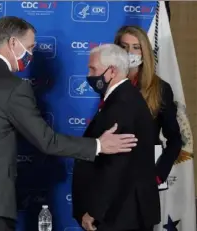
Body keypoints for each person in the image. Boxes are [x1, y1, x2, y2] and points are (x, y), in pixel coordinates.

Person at [0, 17, 138, 231]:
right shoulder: (12, 87)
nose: (30, 55)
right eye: (29, 47)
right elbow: (47, 141)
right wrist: (98, 146)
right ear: (13, 43)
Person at [72, 44, 160, 231]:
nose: (89, 74)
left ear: (111, 71)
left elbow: (115, 165)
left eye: (93, 69)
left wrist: (95, 211)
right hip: (122, 212)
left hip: (119, 215)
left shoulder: (122, 104)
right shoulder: (122, 98)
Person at [114, 25, 182, 187]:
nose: (130, 52)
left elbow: (175, 139)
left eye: (136, 48)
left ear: (144, 52)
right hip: (113, 171)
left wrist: (158, 175)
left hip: (145, 174)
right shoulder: (109, 84)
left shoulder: (160, 89)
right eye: (124, 47)